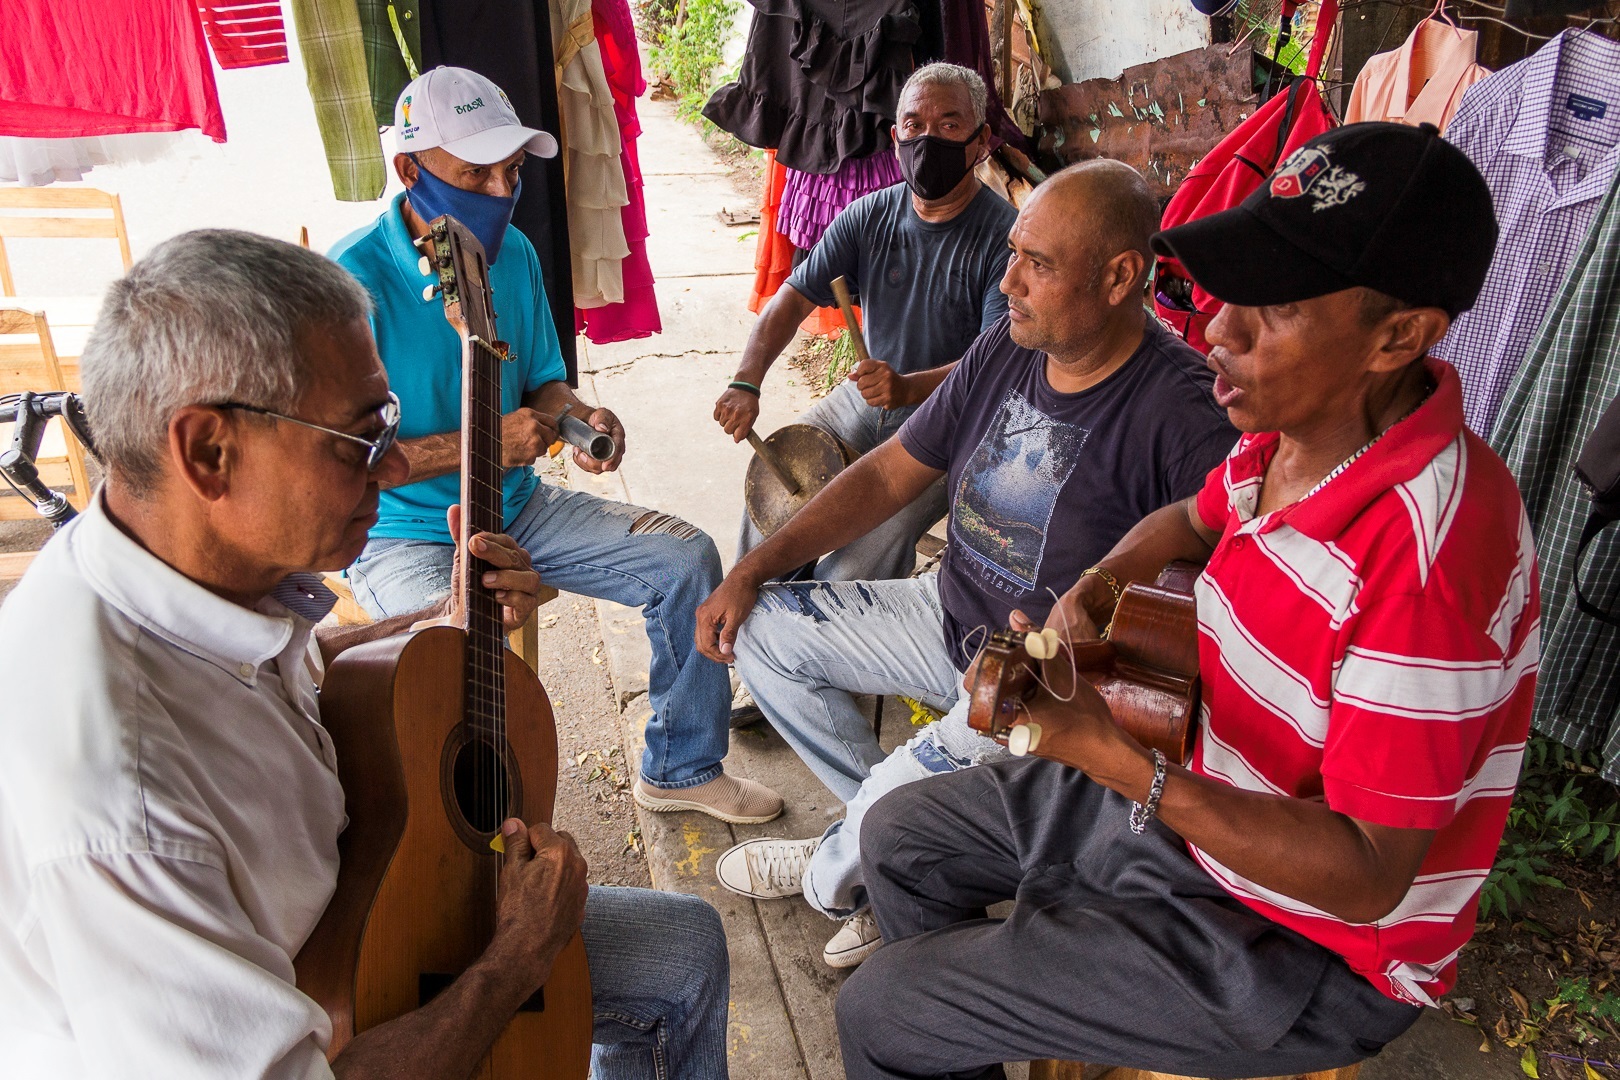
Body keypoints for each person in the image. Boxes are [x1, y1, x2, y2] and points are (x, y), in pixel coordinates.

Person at [834, 123, 1539, 1080]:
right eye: (1232, 290)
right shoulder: (1287, 436)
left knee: (884, 1008)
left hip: (1308, 948)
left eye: (1275, 306)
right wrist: (1093, 589)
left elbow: (1368, 875)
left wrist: (1122, 766)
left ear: (1400, 336)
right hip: (1197, 806)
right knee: (899, 836)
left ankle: (981, 1007)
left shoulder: (1428, 559)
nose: (1219, 330)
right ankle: (1000, 1014)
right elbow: (1189, 520)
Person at [0, 230, 730, 1078]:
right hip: (299, 1015)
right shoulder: (119, 801)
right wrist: (513, 963)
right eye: (359, 439)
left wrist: (439, 614)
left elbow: (270, 677)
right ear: (208, 451)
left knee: (685, 948)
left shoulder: (177, 566)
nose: (391, 467)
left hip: (351, 905)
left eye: (386, 424)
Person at [696, 160, 1238, 969]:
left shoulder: (1183, 411)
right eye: (1013, 253)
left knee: (887, 817)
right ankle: (897, 844)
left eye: (1038, 264)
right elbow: (885, 474)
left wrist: (1090, 639)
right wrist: (754, 568)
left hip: (1035, 682)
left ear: (1122, 276)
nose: (1009, 279)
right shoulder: (1007, 348)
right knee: (761, 628)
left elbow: (1210, 600)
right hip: (944, 613)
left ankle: (855, 858)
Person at [332, 66, 781, 825]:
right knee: (456, 662)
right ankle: (464, 840)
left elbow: (542, 383)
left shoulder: (512, 256)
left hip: (518, 506)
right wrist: (480, 443)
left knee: (688, 559)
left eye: (508, 171)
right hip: (401, 533)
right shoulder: (349, 284)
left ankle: (679, 768)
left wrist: (580, 418)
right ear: (409, 170)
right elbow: (346, 458)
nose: (499, 190)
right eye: (474, 171)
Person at [714, 61, 1019, 583]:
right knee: (774, 488)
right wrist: (747, 380)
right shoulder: (868, 214)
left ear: (980, 140)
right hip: (865, 398)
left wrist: (908, 388)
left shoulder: (1004, 237)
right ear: (897, 137)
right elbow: (789, 300)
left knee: (860, 556)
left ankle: (831, 647)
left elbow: (995, 366)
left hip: (951, 423)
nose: (929, 140)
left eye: (949, 125)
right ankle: (755, 625)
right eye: (916, 128)